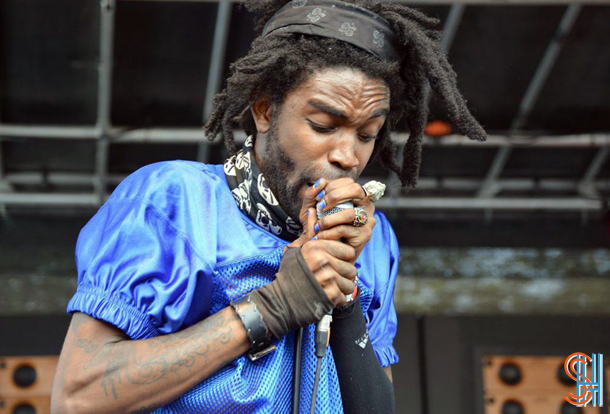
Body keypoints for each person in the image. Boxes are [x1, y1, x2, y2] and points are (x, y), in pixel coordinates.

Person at [51, 1, 485, 413]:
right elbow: (78, 396)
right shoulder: (174, 200)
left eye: (367, 134)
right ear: (263, 110)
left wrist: (345, 299)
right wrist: (273, 307)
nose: (348, 156)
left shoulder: (373, 239)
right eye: (323, 125)